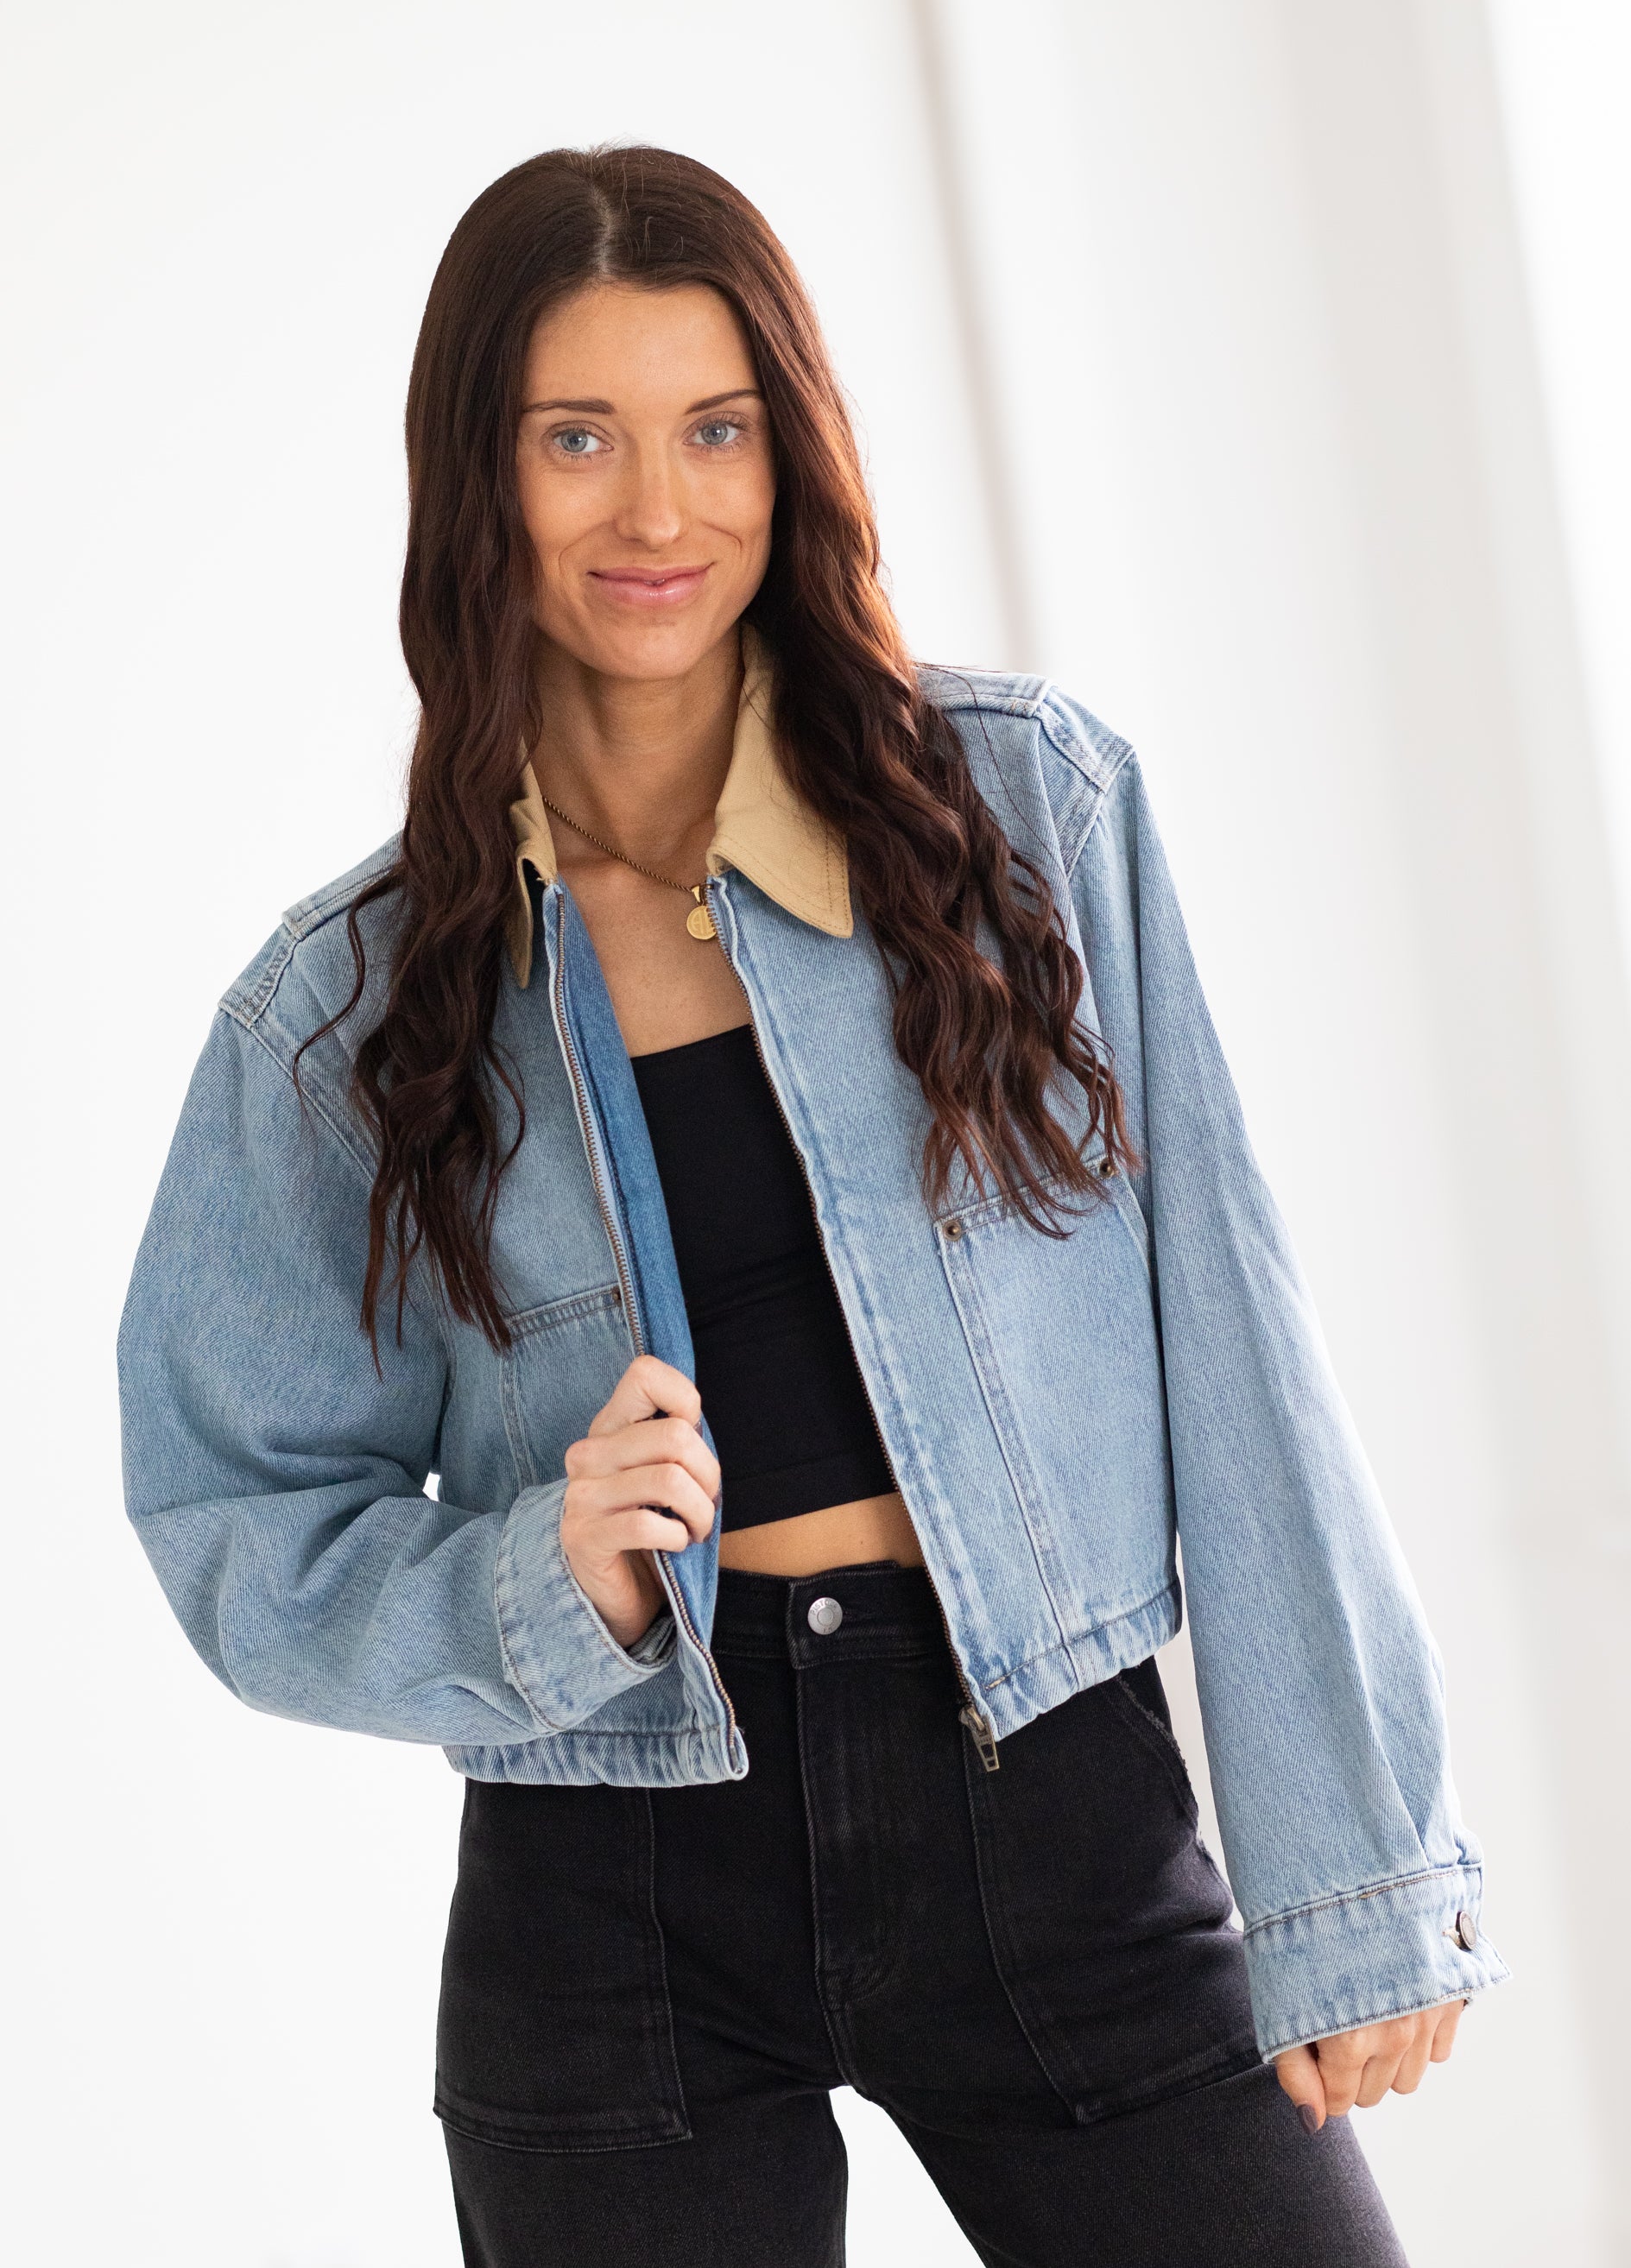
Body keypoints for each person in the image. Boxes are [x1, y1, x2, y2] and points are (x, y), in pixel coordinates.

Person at [119, 145, 1505, 2268]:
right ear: (478, 477)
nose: (656, 512)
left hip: (1047, 1804)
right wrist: (532, 1585)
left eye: (715, 429)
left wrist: (1349, 1873)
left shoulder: (1026, 817)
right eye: (577, 437)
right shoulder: (345, 1011)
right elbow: (231, 1503)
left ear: (794, 450)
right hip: (616, 1883)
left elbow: (1236, 1335)